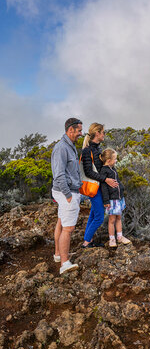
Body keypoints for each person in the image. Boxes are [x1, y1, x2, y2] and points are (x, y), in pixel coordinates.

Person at [51, 117, 83, 275]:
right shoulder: (62, 148)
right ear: (70, 130)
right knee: (68, 228)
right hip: (67, 192)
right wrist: (68, 195)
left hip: (67, 191)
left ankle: (58, 254)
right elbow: (59, 175)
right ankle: (64, 263)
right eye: (79, 131)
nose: (81, 133)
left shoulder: (70, 146)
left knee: (61, 221)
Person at [80, 123, 118, 248]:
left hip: (98, 187)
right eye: (103, 132)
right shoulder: (88, 151)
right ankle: (86, 243)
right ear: (97, 133)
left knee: (94, 214)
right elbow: (88, 172)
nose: (104, 135)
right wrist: (106, 179)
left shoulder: (97, 149)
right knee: (99, 217)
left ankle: (88, 239)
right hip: (94, 188)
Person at [98, 149, 131, 247]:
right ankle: (112, 239)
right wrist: (106, 200)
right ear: (108, 160)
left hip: (119, 198)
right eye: (115, 159)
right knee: (112, 219)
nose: (116, 160)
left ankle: (120, 237)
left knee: (119, 217)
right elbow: (103, 187)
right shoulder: (104, 171)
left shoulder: (113, 168)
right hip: (112, 200)